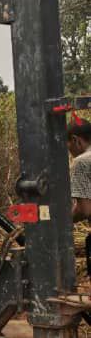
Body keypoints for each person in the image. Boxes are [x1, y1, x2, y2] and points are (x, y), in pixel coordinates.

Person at [67, 119, 91, 277]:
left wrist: (61, 222)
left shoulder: (81, 162)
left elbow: (84, 210)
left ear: (76, 140)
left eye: (68, 146)